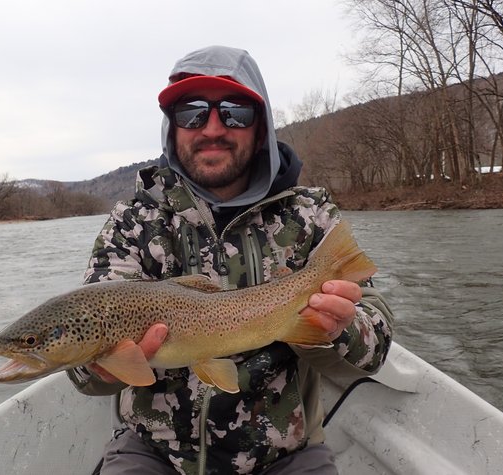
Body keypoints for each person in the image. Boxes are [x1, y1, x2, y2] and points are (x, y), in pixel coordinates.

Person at [68, 45, 393, 474]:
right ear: (173, 128)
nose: (212, 128)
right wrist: (101, 368)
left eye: (235, 111)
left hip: (285, 455)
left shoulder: (309, 214)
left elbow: (376, 341)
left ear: (260, 127)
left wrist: (341, 327)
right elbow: (81, 369)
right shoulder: (133, 221)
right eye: (193, 112)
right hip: (153, 454)